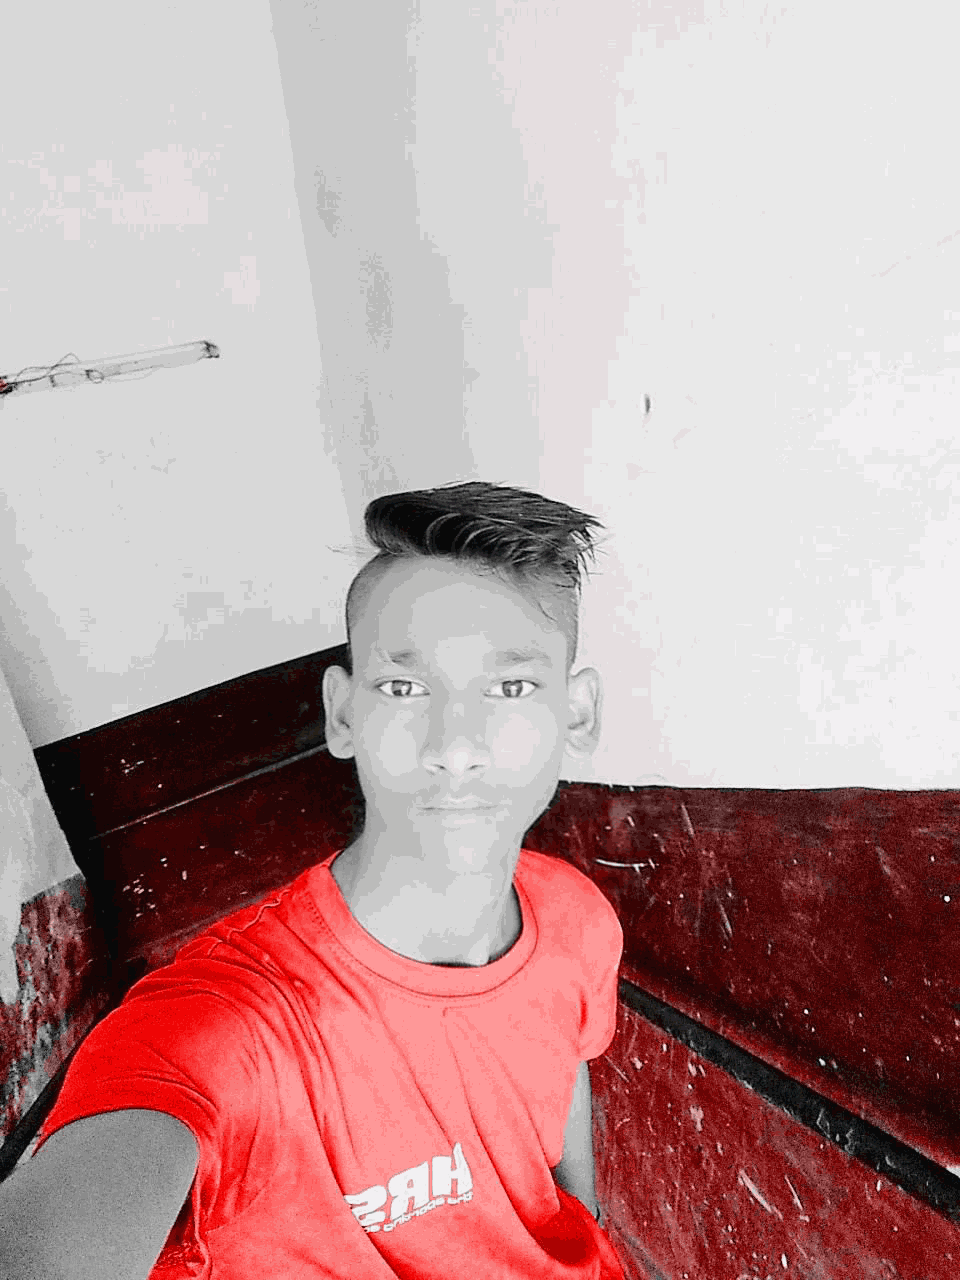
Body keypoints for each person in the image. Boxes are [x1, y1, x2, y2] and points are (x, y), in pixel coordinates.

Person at [0, 481, 625, 1280]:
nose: (455, 747)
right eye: (404, 687)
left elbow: (566, 1064)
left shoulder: (575, 914)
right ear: (343, 714)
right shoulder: (220, 1027)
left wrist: (587, 1218)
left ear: (577, 714)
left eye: (510, 687)